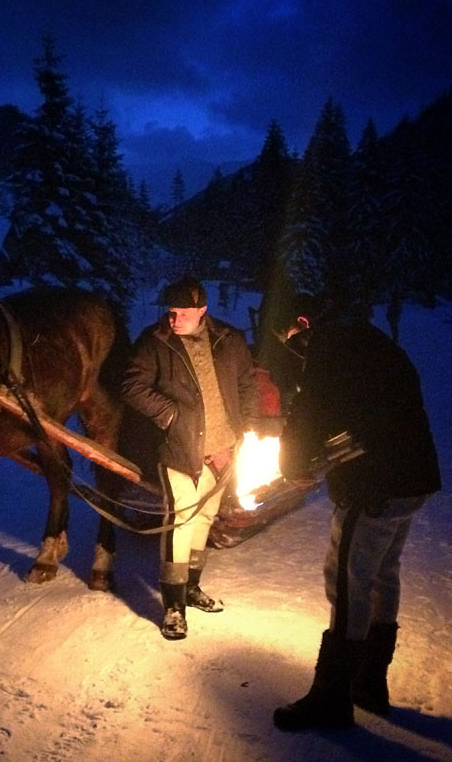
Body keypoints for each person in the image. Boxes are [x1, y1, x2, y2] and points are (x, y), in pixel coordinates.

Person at [272, 298, 441, 731]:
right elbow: (370, 410)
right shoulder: (368, 340)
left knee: (348, 580)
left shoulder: (331, 348)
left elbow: (312, 411)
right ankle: (369, 682)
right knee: (382, 572)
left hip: (374, 488)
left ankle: (331, 697)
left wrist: (292, 463)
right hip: (412, 477)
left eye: (293, 342)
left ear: (303, 325)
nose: (297, 353)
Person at [121, 275, 257, 640]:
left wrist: (246, 427)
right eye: (170, 311)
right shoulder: (156, 343)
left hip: (224, 449)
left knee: (206, 517)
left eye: (182, 312)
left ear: (202, 311)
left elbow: (247, 383)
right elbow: (131, 385)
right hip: (180, 449)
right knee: (182, 518)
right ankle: (174, 607)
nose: (174, 318)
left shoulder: (230, 340)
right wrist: (169, 415)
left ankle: (192, 587)